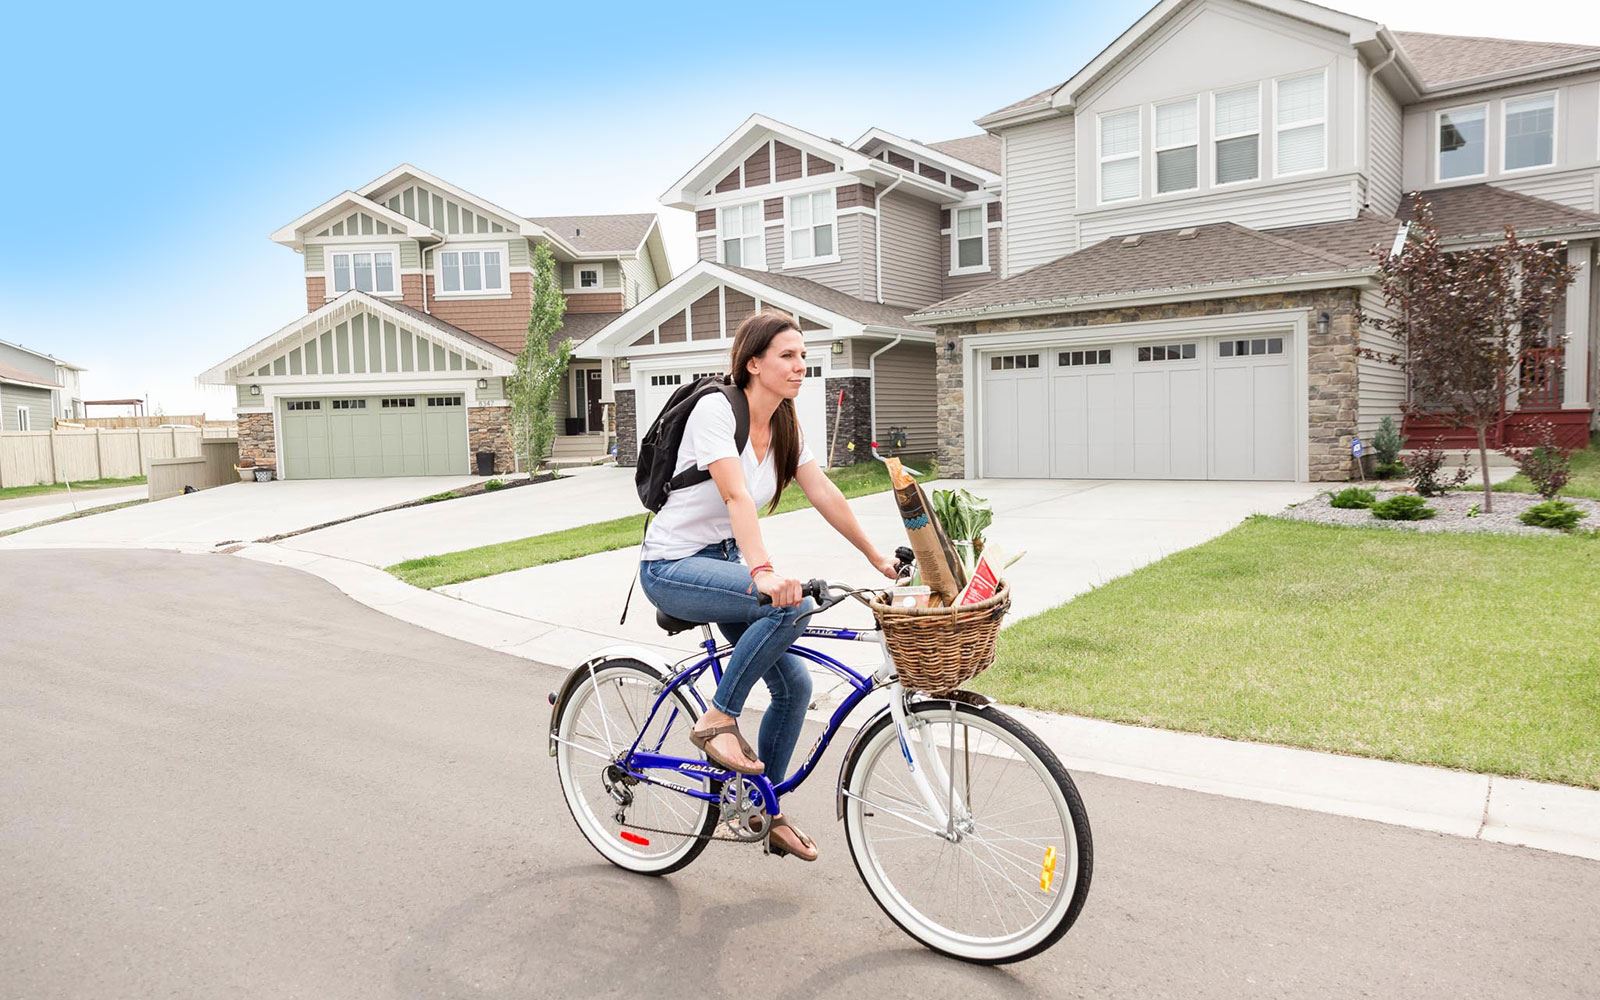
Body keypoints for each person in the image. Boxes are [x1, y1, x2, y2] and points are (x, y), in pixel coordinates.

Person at [638, 311, 898, 862]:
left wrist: (876, 556)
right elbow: (734, 496)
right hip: (672, 564)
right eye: (787, 355)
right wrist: (763, 573)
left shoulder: (783, 423)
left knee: (795, 687)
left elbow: (822, 488)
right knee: (791, 604)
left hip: (724, 563)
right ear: (753, 363)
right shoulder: (717, 409)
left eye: (803, 356)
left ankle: (762, 808)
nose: (800, 366)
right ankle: (718, 719)